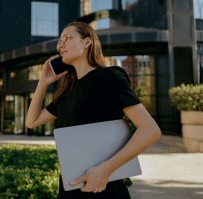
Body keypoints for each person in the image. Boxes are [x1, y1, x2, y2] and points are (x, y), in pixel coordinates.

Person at [25, 21, 161, 199]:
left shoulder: (109, 77)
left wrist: (105, 170)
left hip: (105, 188)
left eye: (68, 38)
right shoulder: (66, 93)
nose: (61, 44)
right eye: (60, 42)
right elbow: (31, 122)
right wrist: (42, 83)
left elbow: (150, 130)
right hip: (70, 188)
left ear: (87, 42)